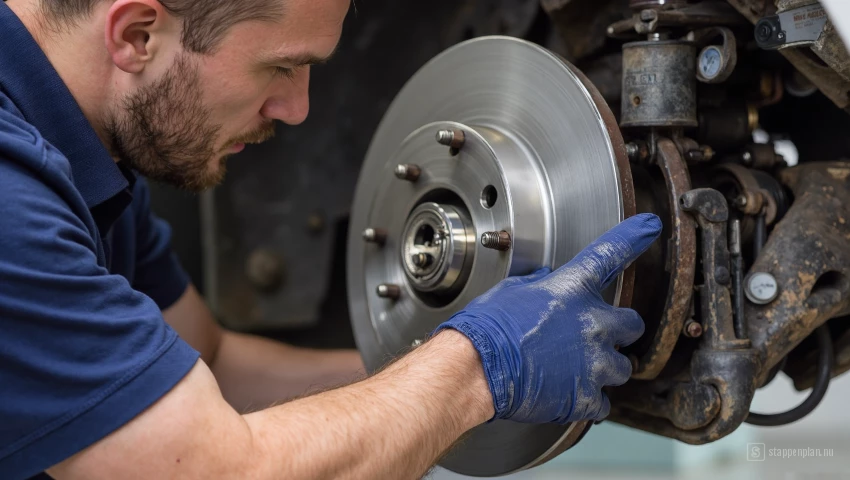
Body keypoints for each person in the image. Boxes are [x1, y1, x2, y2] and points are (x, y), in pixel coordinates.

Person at [0, 0, 663, 478]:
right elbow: (213, 470)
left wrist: (421, 375)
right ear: (138, 34)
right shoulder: (12, 200)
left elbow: (213, 360)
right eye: (281, 68)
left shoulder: (91, 159)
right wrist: (477, 369)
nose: (298, 109)